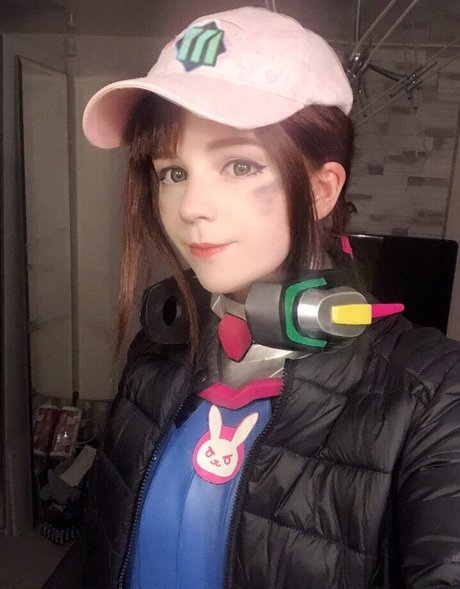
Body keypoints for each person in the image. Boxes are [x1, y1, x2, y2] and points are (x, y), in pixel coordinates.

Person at [44, 6, 460, 589]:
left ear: (321, 189)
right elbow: (103, 550)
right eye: (172, 173)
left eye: (239, 165)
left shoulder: (432, 394)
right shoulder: (158, 348)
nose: (190, 208)